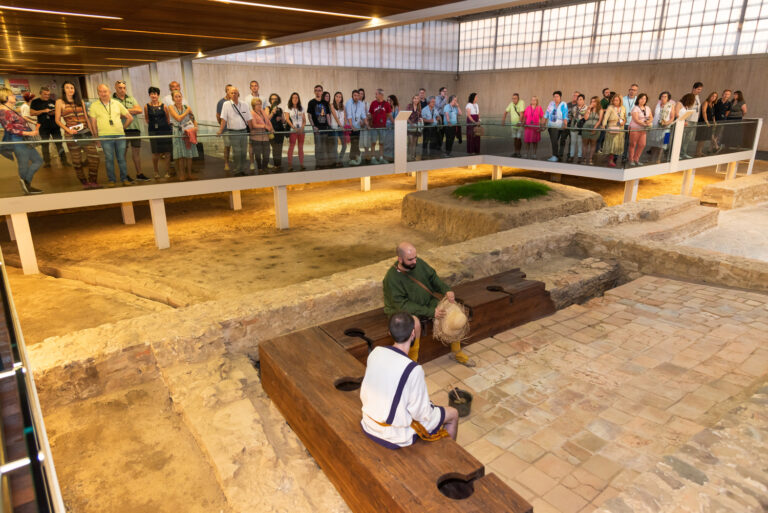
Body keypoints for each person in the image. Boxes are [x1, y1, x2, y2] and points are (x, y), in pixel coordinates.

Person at [360, 312, 460, 449]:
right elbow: (421, 414)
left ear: (389, 332)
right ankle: (452, 456)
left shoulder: (376, 352)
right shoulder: (413, 369)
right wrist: (432, 407)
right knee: (453, 413)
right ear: (413, 333)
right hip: (392, 434)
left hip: (368, 421)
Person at [382, 242, 475, 367]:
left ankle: (456, 352)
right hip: (400, 310)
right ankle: (412, 364)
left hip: (426, 301)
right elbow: (402, 305)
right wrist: (431, 312)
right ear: (400, 259)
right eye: (410, 259)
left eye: (415, 257)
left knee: (452, 310)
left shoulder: (418, 263)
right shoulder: (391, 278)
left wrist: (446, 290)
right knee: (414, 323)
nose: (415, 261)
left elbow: (433, 278)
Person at [55, 81, 100, 189]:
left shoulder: (80, 101)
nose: (70, 90)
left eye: (72, 88)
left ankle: (93, 181)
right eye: (67, 87)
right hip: (72, 135)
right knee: (76, 160)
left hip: (85, 133)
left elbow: (86, 117)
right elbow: (57, 120)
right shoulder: (60, 102)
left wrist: (93, 133)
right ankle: (84, 182)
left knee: (94, 157)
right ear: (63, 89)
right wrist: (68, 130)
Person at [89, 83, 133, 187]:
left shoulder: (117, 103)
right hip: (104, 136)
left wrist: (123, 128)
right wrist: (96, 137)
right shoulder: (94, 105)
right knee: (109, 159)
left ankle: (124, 179)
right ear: (98, 93)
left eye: (105, 91)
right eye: (100, 91)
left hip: (120, 136)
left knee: (121, 158)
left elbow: (130, 118)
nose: (103, 93)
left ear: (109, 92)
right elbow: (93, 123)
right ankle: (111, 180)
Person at [0, 87, 43, 194]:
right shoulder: (3, 111)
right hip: (18, 140)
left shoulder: (9, 109)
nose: (14, 96)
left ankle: (26, 182)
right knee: (24, 163)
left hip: (24, 139)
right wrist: (29, 133)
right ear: (5, 97)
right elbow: (9, 129)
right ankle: (26, 185)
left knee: (38, 161)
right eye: (12, 95)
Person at [113, 80, 150, 181]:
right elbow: (115, 114)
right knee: (122, 154)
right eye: (120, 88)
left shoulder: (131, 98)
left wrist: (124, 111)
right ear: (115, 88)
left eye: (124, 88)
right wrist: (131, 111)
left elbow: (139, 110)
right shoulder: (112, 100)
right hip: (121, 130)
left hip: (135, 129)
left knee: (136, 153)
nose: (122, 90)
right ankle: (124, 175)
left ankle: (139, 174)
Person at [218, 87, 252, 176]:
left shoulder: (244, 104)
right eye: (232, 93)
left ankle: (243, 169)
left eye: (235, 92)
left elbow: (248, 119)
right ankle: (237, 170)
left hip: (244, 131)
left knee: (244, 152)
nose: (234, 94)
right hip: (233, 132)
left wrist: (251, 130)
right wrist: (220, 130)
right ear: (229, 94)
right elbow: (223, 119)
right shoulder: (226, 104)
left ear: (238, 94)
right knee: (236, 151)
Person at [29, 86, 66, 167]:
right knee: (45, 144)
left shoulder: (53, 101)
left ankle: (64, 161)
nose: (47, 96)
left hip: (55, 126)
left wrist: (54, 113)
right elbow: (31, 113)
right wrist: (43, 111)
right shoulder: (35, 102)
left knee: (59, 143)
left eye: (48, 94)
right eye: (45, 94)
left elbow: (59, 113)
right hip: (43, 127)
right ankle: (47, 162)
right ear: (40, 93)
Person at [167, 90, 198, 181]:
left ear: (182, 97)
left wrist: (195, 126)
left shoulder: (186, 107)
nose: (178, 98)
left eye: (179, 96)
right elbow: (178, 118)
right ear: (173, 98)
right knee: (180, 155)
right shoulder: (171, 107)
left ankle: (189, 174)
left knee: (189, 154)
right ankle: (181, 174)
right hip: (178, 132)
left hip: (188, 132)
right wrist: (187, 111)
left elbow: (193, 118)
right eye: (176, 97)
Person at [144, 86, 173, 179]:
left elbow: (168, 119)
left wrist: (165, 127)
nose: (153, 95)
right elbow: (147, 119)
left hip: (165, 131)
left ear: (158, 95)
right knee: (155, 153)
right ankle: (156, 172)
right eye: (152, 93)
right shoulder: (146, 106)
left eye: (155, 94)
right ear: (149, 95)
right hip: (153, 131)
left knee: (167, 153)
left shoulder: (164, 106)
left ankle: (167, 172)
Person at [308, 84, 332, 169]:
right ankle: (318, 163)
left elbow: (328, 115)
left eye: (319, 90)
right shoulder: (311, 102)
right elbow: (310, 116)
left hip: (325, 128)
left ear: (322, 92)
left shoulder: (325, 103)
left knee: (324, 146)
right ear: (314, 92)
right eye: (316, 90)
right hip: (316, 128)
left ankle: (324, 163)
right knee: (318, 146)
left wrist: (329, 126)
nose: (318, 92)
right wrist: (313, 126)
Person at [648, 91, 675, 164]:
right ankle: (651, 158)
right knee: (654, 142)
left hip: (666, 128)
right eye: (662, 96)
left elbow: (672, 117)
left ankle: (659, 159)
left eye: (665, 97)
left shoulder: (671, 106)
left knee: (663, 144)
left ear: (668, 98)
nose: (663, 98)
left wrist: (667, 123)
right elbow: (653, 115)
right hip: (655, 126)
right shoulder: (657, 104)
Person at [368, 88, 393, 165]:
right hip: (374, 127)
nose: (375, 95)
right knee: (373, 142)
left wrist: (395, 123)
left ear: (381, 95)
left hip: (382, 127)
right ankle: (373, 157)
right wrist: (368, 123)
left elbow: (389, 115)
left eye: (376, 94)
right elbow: (370, 115)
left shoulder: (386, 104)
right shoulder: (373, 103)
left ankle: (381, 157)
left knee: (382, 143)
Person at [600, 94, 626, 167]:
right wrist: (603, 125)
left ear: (620, 101)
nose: (615, 101)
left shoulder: (623, 108)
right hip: (612, 126)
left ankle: (611, 158)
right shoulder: (610, 107)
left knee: (617, 144)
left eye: (617, 100)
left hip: (620, 127)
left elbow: (624, 117)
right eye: (614, 100)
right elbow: (606, 117)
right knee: (612, 144)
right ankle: (610, 160)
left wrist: (624, 121)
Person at [249, 97, 273, 174]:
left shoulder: (262, 111)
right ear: (253, 105)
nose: (259, 106)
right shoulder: (251, 113)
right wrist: (264, 126)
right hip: (256, 137)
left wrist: (271, 128)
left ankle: (264, 167)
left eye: (260, 104)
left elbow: (267, 121)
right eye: (257, 104)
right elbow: (254, 125)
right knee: (258, 154)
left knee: (267, 152)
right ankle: (259, 168)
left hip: (265, 136)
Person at [628, 93, 652, 166]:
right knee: (633, 144)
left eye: (644, 99)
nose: (643, 100)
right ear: (638, 99)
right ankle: (631, 160)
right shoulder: (635, 108)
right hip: (635, 128)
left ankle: (636, 159)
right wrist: (645, 124)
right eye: (641, 98)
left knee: (642, 144)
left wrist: (649, 122)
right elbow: (636, 120)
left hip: (643, 129)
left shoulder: (647, 108)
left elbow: (651, 117)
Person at [285, 92, 306, 172]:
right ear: (291, 99)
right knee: (291, 147)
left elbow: (304, 120)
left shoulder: (301, 108)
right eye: (293, 97)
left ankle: (301, 164)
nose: (295, 99)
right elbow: (287, 119)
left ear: (298, 99)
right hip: (293, 130)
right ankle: (290, 164)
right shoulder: (288, 107)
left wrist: (302, 127)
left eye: (296, 97)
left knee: (301, 147)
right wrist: (293, 127)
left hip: (301, 130)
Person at [545, 91, 568, 161]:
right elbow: (546, 114)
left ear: (560, 97)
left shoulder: (563, 104)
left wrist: (565, 124)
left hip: (560, 126)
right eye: (554, 96)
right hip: (552, 126)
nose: (555, 98)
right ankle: (555, 156)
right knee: (554, 141)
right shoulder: (551, 104)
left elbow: (565, 114)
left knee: (557, 141)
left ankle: (556, 155)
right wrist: (542, 123)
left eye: (557, 96)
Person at [501, 93, 525, 157]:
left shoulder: (521, 102)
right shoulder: (511, 104)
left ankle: (519, 152)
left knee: (518, 138)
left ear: (518, 99)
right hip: (513, 124)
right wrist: (503, 120)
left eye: (515, 98)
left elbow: (522, 113)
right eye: (513, 98)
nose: (514, 100)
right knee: (515, 139)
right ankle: (515, 152)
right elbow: (505, 112)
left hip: (519, 124)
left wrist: (520, 122)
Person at [216, 84, 234, 171]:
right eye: (228, 90)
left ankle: (236, 164)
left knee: (236, 147)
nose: (230, 92)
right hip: (226, 129)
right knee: (227, 146)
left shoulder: (235, 101)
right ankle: (226, 163)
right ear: (226, 91)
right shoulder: (221, 102)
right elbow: (218, 115)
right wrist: (222, 126)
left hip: (236, 129)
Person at [581, 96, 603, 165]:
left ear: (597, 102)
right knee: (585, 144)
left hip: (595, 129)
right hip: (586, 128)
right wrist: (589, 109)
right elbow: (586, 118)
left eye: (594, 101)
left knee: (593, 144)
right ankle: (584, 159)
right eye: (591, 101)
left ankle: (590, 159)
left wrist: (594, 128)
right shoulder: (588, 108)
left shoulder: (600, 110)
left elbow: (599, 121)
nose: (592, 103)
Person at [265, 93, 285, 170]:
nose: (274, 100)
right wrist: (272, 112)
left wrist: (281, 119)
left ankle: (278, 165)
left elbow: (284, 121)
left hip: (280, 131)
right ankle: (276, 165)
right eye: (272, 99)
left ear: (278, 100)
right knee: (275, 148)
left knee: (279, 149)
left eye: (276, 99)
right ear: (270, 100)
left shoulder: (280, 109)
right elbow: (266, 119)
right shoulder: (267, 108)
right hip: (272, 131)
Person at [345, 89, 365, 165]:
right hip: (350, 127)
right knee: (354, 142)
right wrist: (351, 126)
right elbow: (349, 115)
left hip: (357, 127)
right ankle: (356, 156)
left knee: (355, 143)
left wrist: (366, 123)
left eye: (358, 95)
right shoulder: (349, 102)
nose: (356, 97)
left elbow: (363, 115)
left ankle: (353, 158)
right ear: (352, 96)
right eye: (355, 95)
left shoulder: (360, 103)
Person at [695, 91, 718, 157]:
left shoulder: (713, 104)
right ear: (710, 96)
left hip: (709, 123)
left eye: (715, 96)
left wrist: (714, 121)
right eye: (713, 96)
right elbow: (704, 112)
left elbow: (713, 114)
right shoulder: (706, 102)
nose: (714, 97)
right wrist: (706, 121)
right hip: (704, 122)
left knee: (704, 138)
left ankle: (700, 151)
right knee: (701, 138)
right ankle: (697, 152)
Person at [675, 93, 696, 159]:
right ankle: (675, 155)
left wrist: (685, 121)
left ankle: (682, 153)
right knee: (676, 140)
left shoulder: (686, 106)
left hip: (682, 124)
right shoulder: (679, 103)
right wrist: (681, 120)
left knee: (682, 140)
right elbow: (676, 114)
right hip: (677, 124)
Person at [621, 84, 639, 161]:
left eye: (634, 90)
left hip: (634, 124)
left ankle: (631, 157)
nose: (632, 91)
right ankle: (624, 157)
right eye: (631, 89)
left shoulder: (638, 100)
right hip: (624, 123)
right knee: (624, 142)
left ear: (636, 91)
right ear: (629, 90)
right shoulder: (623, 99)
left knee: (632, 142)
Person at [329, 91, 347, 167]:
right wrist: (341, 126)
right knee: (335, 145)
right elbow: (336, 117)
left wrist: (345, 125)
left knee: (344, 145)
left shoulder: (343, 106)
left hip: (342, 128)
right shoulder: (331, 105)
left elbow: (345, 117)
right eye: (337, 96)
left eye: (340, 97)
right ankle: (336, 161)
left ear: (341, 98)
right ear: (334, 97)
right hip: (335, 128)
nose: (338, 98)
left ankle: (340, 159)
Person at [568, 94, 587, 163]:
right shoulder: (574, 108)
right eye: (578, 99)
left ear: (584, 100)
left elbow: (587, 118)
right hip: (573, 127)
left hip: (581, 129)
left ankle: (579, 156)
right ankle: (571, 156)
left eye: (581, 99)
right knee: (572, 142)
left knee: (580, 143)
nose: (579, 101)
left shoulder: (586, 108)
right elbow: (570, 116)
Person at [406, 95, 422, 161]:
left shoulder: (419, 107)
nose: (416, 100)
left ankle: (413, 156)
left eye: (417, 98)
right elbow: (406, 116)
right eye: (415, 98)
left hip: (416, 127)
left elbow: (420, 116)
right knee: (410, 142)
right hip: (410, 126)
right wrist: (410, 123)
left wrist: (420, 119)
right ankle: (408, 156)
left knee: (415, 142)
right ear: (412, 99)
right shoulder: (409, 106)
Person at [596, 87, 612, 152]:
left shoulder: (609, 101)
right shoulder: (602, 101)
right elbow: (600, 110)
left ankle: (602, 148)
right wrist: (608, 110)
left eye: (609, 92)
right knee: (601, 136)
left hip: (608, 121)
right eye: (606, 92)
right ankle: (597, 149)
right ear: (603, 94)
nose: (608, 94)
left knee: (604, 136)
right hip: (603, 121)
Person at [384, 94, 399, 162]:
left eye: (389, 100)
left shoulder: (396, 107)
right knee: (388, 142)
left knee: (394, 142)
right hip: (388, 127)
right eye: (387, 100)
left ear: (393, 100)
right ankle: (386, 157)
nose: (388, 101)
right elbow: (387, 118)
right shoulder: (386, 108)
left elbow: (398, 117)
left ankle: (393, 157)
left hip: (395, 128)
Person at [434, 87, 448, 151]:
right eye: (444, 91)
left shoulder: (444, 99)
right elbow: (439, 106)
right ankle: (436, 146)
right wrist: (445, 100)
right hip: (438, 116)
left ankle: (440, 145)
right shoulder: (437, 98)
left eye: (446, 91)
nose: (445, 93)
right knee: (438, 132)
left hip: (444, 116)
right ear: (440, 92)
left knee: (442, 132)